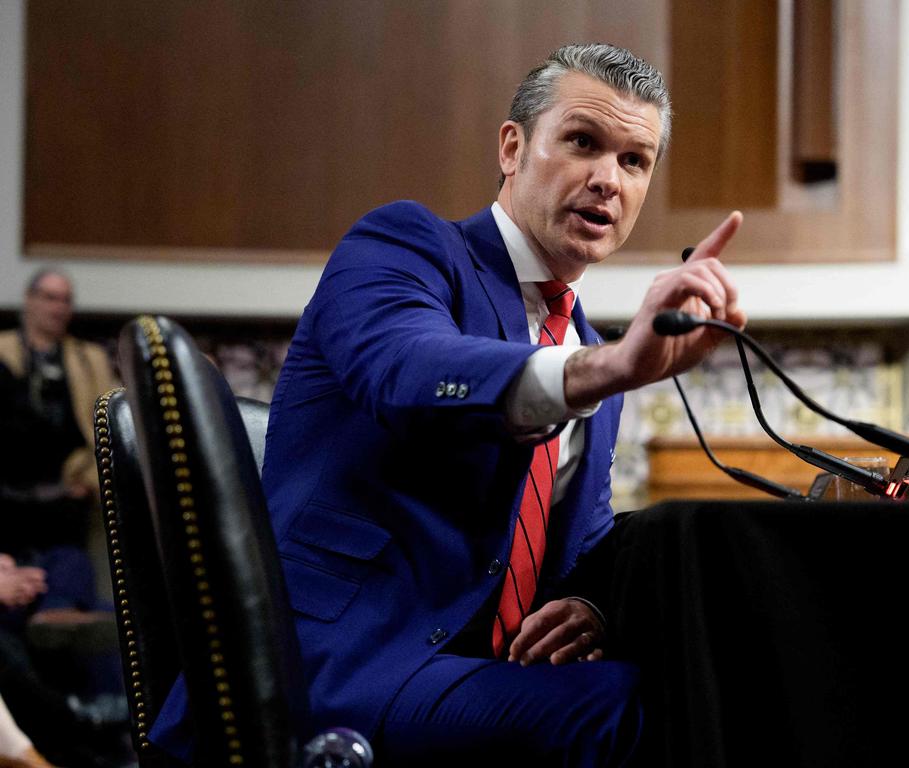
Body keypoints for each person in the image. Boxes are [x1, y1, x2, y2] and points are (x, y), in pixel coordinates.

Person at [152, 42, 746, 766]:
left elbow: (578, 545)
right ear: (513, 147)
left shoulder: (588, 349)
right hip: (331, 665)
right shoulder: (405, 245)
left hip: (473, 674)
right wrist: (605, 369)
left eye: (634, 161)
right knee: (641, 705)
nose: (606, 180)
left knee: (712, 669)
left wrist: (591, 606)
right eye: (583, 142)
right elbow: (404, 370)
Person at [0, 269, 116, 556]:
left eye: (66, 300)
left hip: (68, 493)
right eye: (50, 298)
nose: (59, 308)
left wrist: (89, 480)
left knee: (69, 582)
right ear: (30, 300)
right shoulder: (3, 350)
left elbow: (109, 422)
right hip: (9, 493)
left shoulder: (89, 358)